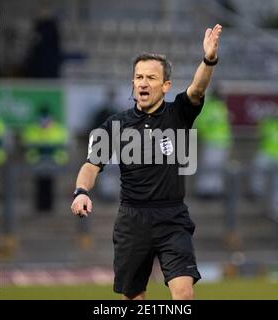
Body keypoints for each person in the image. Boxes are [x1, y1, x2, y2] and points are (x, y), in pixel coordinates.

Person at [71, 24, 223, 300]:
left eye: (151, 78)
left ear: (165, 85)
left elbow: (197, 89)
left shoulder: (178, 114)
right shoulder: (115, 125)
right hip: (133, 220)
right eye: (138, 77)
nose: (142, 82)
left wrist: (209, 58)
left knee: (184, 294)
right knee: (133, 298)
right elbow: (91, 165)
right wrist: (81, 192)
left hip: (172, 218)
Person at [22, 106, 68, 213]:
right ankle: (40, 208)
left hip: (53, 162)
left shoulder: (58, 130)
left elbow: (62, 149)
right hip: (38, 162)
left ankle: (49, 208)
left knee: (50, 184)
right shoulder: (32, 129)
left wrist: (57, 160)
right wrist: (34, 159)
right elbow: (28, 148)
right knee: (39, 185)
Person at [194, 85, 232, 199]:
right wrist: (206, 135)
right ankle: (204, 190)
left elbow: (225, 125)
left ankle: (216, 190)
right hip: (212, 141)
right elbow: (200, 124)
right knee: (209, 167)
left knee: (218, 167)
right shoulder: (208, 107)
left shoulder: (222, 106)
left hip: (223, 142)